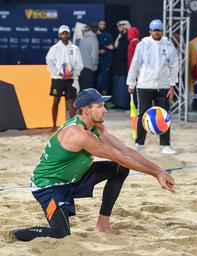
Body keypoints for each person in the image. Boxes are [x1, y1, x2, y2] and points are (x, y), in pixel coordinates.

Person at [9, 88, 175, 241]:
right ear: (87, 110)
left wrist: (160, 171)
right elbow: (119, 156)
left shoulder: (95, 125)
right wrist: (155, 174)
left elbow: (126, 151)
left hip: (74, 178)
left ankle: (102, 225)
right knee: (61, 234)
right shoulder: (79, 135)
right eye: (100, 106)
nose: (105, 110)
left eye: (104, 105)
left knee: (120, 169)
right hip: (48, 186)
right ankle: (15, 233)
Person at [127, 19, 179, 155]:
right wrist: (131, 83)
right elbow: (135, 64)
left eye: (159, 30)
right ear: (150, 31)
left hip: (163, 86)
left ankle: (165, 145)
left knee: (164, 116)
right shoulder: (143, 44)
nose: (157, 32)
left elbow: (174, 65)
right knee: (143, 114)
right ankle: (139, 143)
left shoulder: (168, 45)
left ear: (162, 31)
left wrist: (172, 85)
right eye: (155, 30)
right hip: (145, 85)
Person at [46, 25, 83, 131]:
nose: (64, 35)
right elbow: (49, 63)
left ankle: (73, 126)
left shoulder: (75, 48)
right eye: (62, 33)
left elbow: (79, 64)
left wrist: (73, 73)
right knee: (56, 101)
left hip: (70, 79)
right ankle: (54, 126)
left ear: (69, 34)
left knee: (71, 101)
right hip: (57, 78)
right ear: (59, 35)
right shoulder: (54, 48)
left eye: (66, 33)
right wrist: (58, 73)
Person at [112, 20, 130, 109]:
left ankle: (123, 104)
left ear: (124, 27)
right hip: (118, 65)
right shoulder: (120, 37)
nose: (118, 28)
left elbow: (125, 52)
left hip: (124, 66)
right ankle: (118, 103)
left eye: (119, 26)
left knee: (122, 85)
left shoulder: (127, 38)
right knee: (118, 85)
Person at [96, 19, 114, 96]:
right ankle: (96, 100)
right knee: (96, 80)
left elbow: (111, 47)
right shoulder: (95, 35)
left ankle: (104, 100)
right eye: (101, 24)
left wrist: (105, 47)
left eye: (103, 24)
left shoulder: (107, 35)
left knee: (104, 80)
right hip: (96, 61)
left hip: (105, 61)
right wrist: (98, 51)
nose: (102, 26)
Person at [78, 24, 99, 91]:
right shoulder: (93, 39)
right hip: (89, 68)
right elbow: (94, 55)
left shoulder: (83, 38)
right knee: (89, 90)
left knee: (82, 89)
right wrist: (95, 67)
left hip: (81, 68)